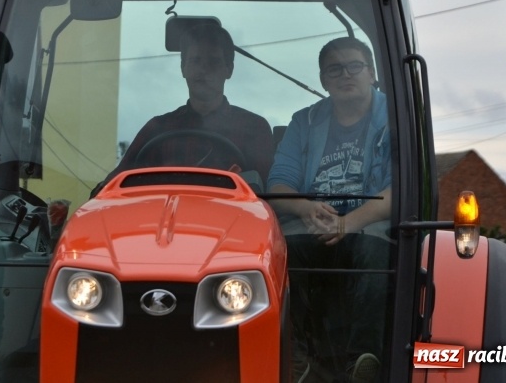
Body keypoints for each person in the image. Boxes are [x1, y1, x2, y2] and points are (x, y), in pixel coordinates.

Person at [267, 37, 391, 383]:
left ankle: (361, 362)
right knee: (278, 254)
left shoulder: (395, 119)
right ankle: (297, 355)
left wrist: (347, 223)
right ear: (323, 79)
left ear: (371, 73)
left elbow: (398, 192)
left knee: (374, 252)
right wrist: (304, 207)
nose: (345, 75)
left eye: (354, 66)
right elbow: (277, 186)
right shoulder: (304, 122)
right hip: (313, 223)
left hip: (371, 224)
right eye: (334, 69)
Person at [91, 21, 274, 195]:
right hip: (161, 224)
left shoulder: (254, 128)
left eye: (213, 62)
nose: (204, 69)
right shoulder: (157, 129)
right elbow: (110, 189)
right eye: (195, 61)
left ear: (229, 69)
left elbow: (269, 200)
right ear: (183, 68)